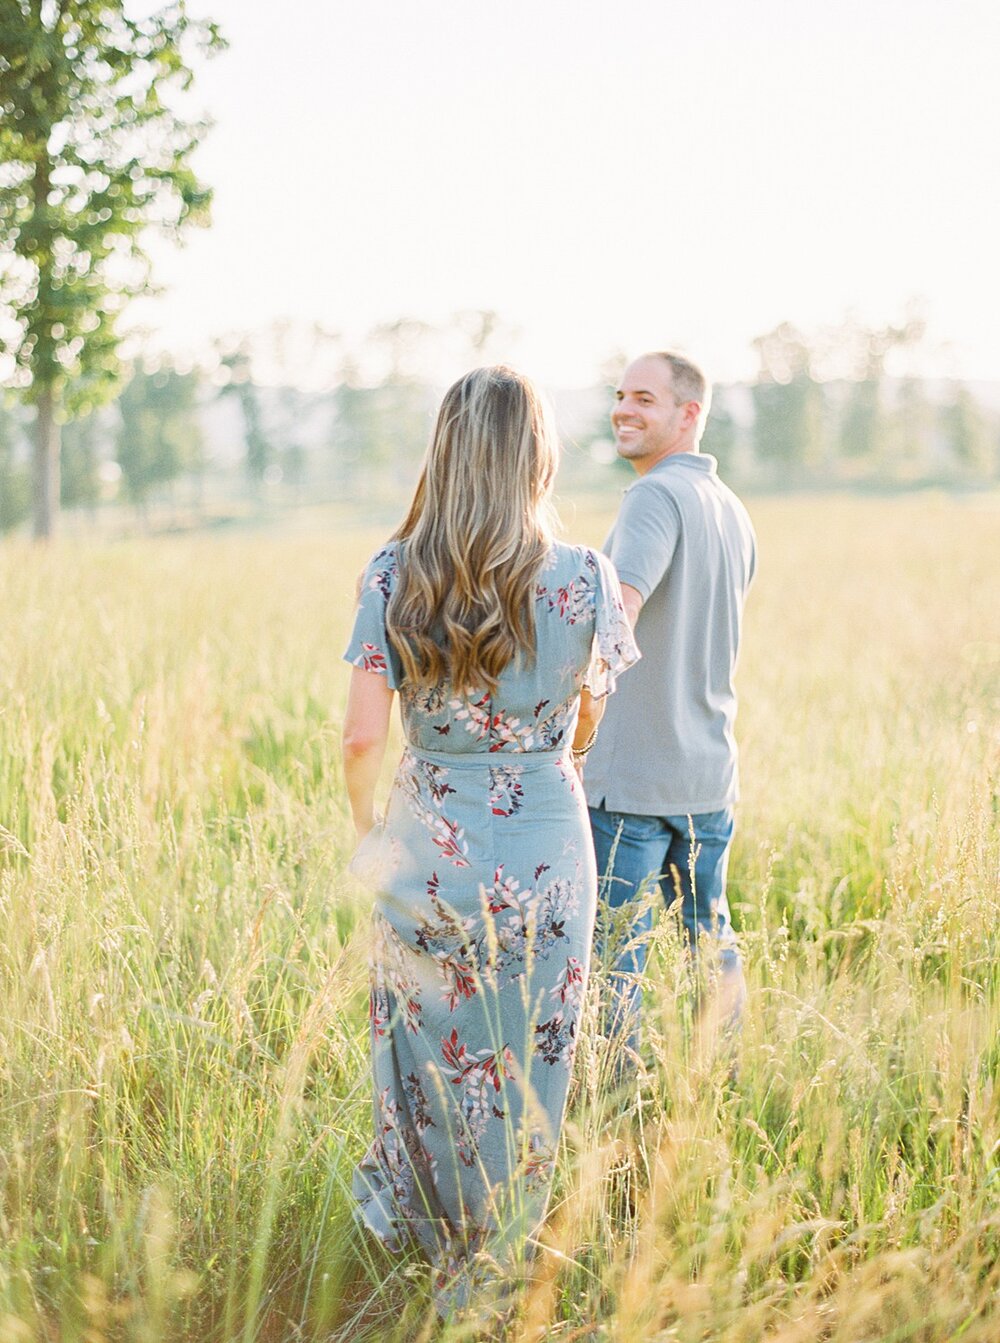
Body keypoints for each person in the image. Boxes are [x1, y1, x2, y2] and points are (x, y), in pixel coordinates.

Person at [341, 365, 638, 1312]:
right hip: (552, 844)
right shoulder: (586, 576)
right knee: (529, 1052)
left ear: (445, 451)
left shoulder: (393, 572)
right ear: (536, 456)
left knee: (424, 1045)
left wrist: (368, 838)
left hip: (427, 841)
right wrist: (547, 756)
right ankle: (503, 1261)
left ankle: (430, 1247)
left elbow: (359, 735)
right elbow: (591, 716)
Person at [584, 351, 757, 1057]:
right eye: (622, 395)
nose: (624, 409)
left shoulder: (653, 497)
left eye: (645, 399)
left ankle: (615, 1113)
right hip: (709, 778)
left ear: (689, 413)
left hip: (633, 782)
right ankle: (720, 1084)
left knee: (613, 963)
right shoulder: (732, 508)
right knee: (709, 941)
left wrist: (574, 719)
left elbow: (613, 620)